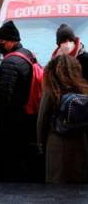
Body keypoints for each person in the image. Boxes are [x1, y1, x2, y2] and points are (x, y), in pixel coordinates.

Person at [0, 20, 43, 182]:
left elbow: (3, 97)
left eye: (1, 42)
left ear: (11, 41)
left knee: (11, 161)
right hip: (29, 115)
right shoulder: (28, 54)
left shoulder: (10, 62)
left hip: (13, 121)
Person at [37, 54, 88, 183]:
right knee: (77, 181)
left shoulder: (52, 92)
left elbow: (42, 122)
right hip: (80, 142)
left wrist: (41, 144)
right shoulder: (83, 90)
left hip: (57, 143)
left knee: (57, 182)